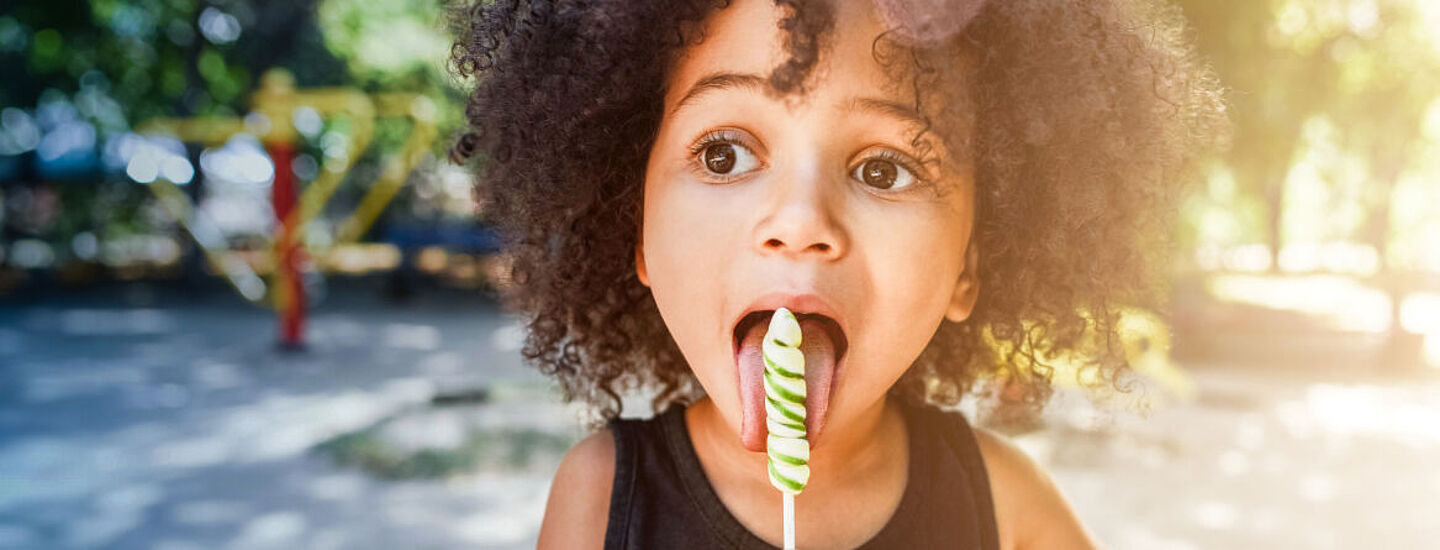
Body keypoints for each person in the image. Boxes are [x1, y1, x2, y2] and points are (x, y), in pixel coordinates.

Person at [449, 0, 1226, 547]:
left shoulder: (1005, 506)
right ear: (637, 233)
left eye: (884, 169)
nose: (799, 222)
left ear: (970, 266)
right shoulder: (601, 500)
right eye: (724, 155)